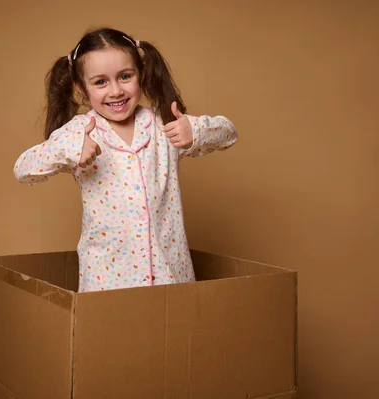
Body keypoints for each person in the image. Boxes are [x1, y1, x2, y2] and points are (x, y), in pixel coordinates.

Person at [14, 27, 238, 292]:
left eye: (124, 77)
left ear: (140, 75)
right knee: (113, 334)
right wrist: (68, 148)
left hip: (170, 274)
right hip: (108, 279)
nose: (116, 91)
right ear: (81, 88)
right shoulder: (80, 132)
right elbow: (23, 169)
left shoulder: (162, 127)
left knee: (175, 333)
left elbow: (229, 133)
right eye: (100, 82)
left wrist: (195, 131)